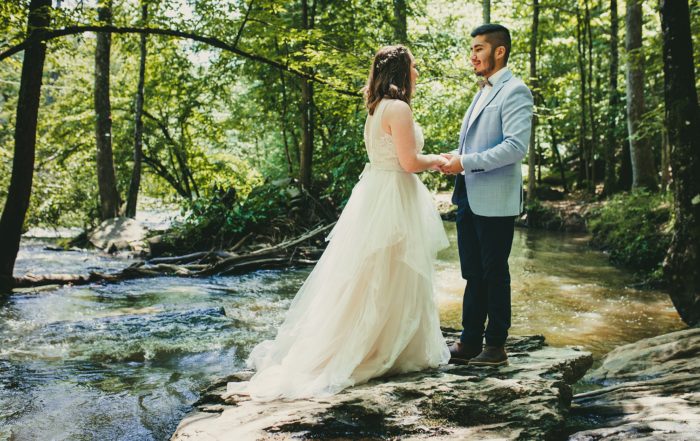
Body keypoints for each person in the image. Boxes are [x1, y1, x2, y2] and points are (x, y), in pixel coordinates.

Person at [226, 45, 450, 401]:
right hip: (393, 193)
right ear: (400, 72)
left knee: (374, 273)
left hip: (377, 192)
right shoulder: (399, 108)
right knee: (391, 272)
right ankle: (385, 345)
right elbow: (409, 162)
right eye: (413, 66)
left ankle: (378, 339)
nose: (417, 73)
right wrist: (440, 159)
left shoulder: (376, 109)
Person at [440, 24, 533, 366]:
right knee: (473, 273)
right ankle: (469, 341)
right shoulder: (481, 91)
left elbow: (514, 148)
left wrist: (465, 162)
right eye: (472, 49)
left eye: (479, 49)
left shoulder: (515, 91)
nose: (472, 56)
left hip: (494, 199)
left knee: (495, 273)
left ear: (500, 51)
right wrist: (451, 159)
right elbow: (472, 146)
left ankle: (495, 346)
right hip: (467, 195)